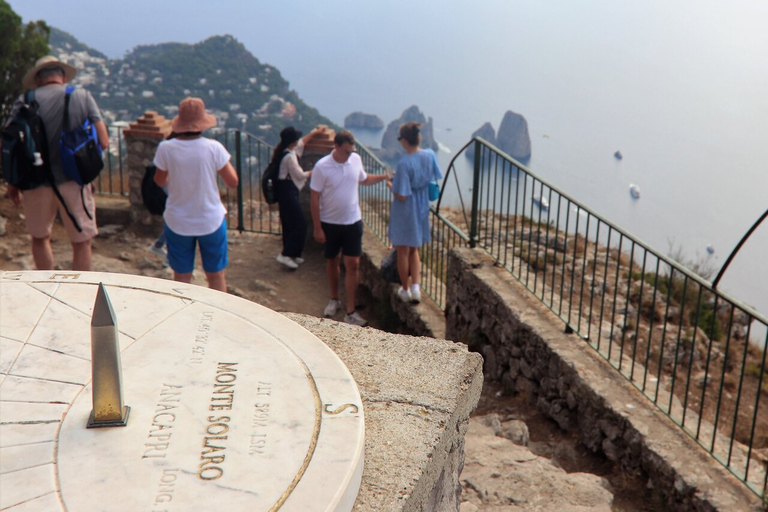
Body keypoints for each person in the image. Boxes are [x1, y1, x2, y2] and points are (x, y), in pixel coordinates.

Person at [3, 56, 109, 271]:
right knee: (81, 242)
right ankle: (79, 293)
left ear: (39, 78)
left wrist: (13, 182)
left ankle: (48, 289)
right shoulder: (81, 96)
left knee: (40, 238)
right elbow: (104, 141)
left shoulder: (24, 100)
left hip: (34, 181)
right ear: (62, 76)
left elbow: (8, 143)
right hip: (75, 181)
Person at [153, 97, 238, 292]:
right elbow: (232, 182)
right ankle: (218, 317)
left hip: (178, 221)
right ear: (202, 123)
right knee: (216, 275)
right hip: (210, 219)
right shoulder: (214, 148)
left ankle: (183, 319)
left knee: (181, 277)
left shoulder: (166, 148)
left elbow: (159, 181)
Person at [310, 131, 389, 326]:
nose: (349, 154)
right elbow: (314, 197)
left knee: (353, 263)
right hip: (330, 222)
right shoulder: (322, 167)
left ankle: (351, 311)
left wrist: (383, 177)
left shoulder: (355, 159)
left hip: (353, 221)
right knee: (332, 260)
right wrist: (317, 227)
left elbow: (362, 179)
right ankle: (335, 298)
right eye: (346, 151)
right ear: (335, 147)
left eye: (351, 151)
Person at [387, 122, 443, 303]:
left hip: (406, 208)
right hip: (422, 205)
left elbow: (401, 195)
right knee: (414, 249)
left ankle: (405, 289)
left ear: (404, 141)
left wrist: (391, 184)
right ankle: (417, 288)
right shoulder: (429, 155)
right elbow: (433, 175)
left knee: (402, 249)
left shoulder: (404, 163)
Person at [272, 125, 327, 269]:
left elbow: (302, 142)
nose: (298, 140)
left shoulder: (285, 151)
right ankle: (285, 255)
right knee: (300, 223)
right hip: (288, 191)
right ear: (292, 141)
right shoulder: (290, 157)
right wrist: (315, 171)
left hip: (285, 190)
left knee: (289, 223)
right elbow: (300, 175)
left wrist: (315, 132)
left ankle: (293, 254)